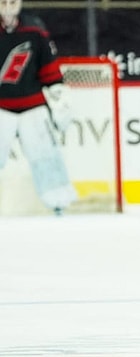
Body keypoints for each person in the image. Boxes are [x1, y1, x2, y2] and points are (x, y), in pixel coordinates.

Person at [0, 0, 76, 214]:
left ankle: (58, 202)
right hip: (1, 108)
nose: (7, 7)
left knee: (46, 156)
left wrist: (59, 100)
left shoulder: (35, 29)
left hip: (32, 106)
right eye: (3, 1)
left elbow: (49, 70)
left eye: (11, 2)